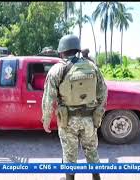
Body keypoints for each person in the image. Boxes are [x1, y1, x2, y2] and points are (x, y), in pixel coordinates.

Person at [41, 34, 108, 180]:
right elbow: (103, 92)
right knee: (92, 151)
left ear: (61, 51)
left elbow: (48, 99)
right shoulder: (92, 66)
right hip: (89, 119)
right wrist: (98, 112)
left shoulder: (57, 70)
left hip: (68, 121)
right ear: (77, 49)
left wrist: (46, 121)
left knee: (69, 155)